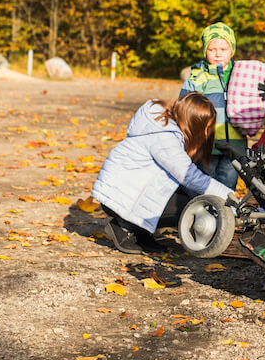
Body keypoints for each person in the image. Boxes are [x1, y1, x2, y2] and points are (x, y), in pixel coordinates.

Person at [93, 92, 235, 254]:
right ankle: (125, 227)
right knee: (187, 207)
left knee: (191, 198)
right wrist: (231, 200)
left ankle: (141, 230)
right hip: (118, 196)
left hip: (124, 190)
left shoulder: (165, 127)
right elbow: (190, 178)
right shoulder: (164, 137)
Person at [180, 22, 245, 189]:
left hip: (235, 144)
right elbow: (184, 110)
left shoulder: (242, 75)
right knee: (205, 185)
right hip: (206, 144)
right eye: (212, 49)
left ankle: (225, 214)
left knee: (227, 185)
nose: (218, 54)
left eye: (223, 49)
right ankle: (205, 213)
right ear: (205, 51)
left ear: (232, 50)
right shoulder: (197, 78)